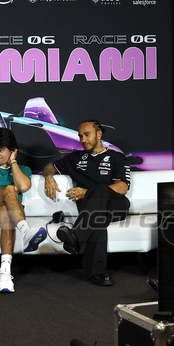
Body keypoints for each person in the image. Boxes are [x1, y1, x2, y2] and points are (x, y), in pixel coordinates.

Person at [42, 120, 132, 286]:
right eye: (80, 136)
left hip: (116, 205)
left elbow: (122, 187)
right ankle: (97, 274)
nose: (83, 139)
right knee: (97, 220)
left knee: (100, 189)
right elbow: (50, 166)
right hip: (91, 209)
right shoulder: (75, 158)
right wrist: (48, 177)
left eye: (87, 134)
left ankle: (76, 236)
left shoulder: (116, 157)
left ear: (99, 134)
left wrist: (87, 192)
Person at [0, 127, 49, 292]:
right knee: (10, 190)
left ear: (12, 151)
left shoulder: (22, 170)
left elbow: (25, 186)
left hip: (9, 213)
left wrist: (13, 162)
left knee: (7, 213)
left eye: (1, 150)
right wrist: (7, 192)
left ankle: (4, 274)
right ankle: (25, 231)